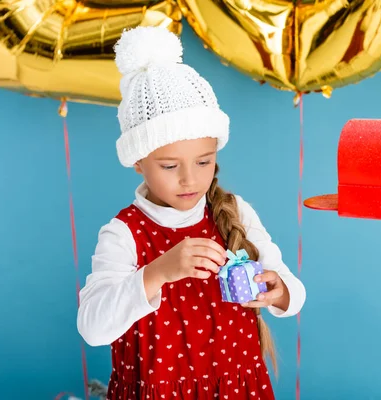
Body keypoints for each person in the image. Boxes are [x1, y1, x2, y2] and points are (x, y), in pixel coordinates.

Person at [77, 26, 306, 400]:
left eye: (204, 161)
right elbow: (93, 327)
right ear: (138, 161)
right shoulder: (124, 233)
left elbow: (292, 291)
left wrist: (277, 291)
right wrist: (158, 272)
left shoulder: (233, 212)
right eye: (170, 166)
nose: (189, 179)